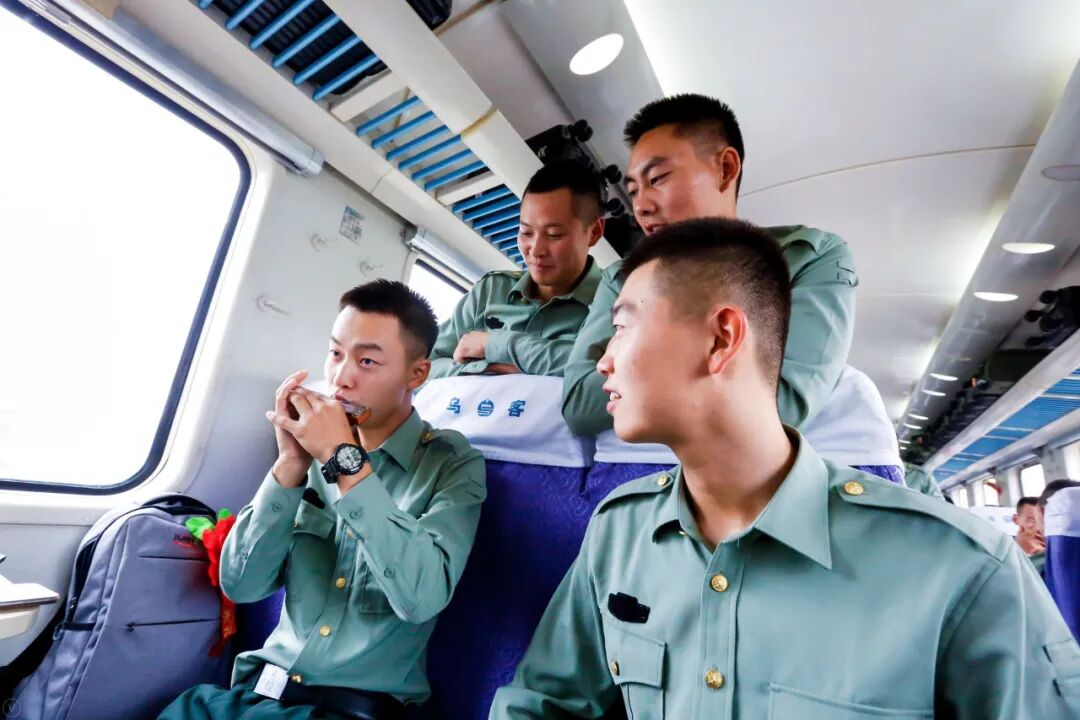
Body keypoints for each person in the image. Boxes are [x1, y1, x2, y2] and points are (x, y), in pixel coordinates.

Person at [490, 218, 1079, 719]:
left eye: (621, 328)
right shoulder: (619, 533)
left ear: (721, 338)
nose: (603, 361)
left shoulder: (960, 568)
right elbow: (545, 703)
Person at [160, 280, 486, 720]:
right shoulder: (307, 453)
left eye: (367, 361)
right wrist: (290, 463)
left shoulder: (452, 464)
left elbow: (421, 599)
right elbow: (242, 585)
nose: (340, 378)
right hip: (256, 697)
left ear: (416, 375)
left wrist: (345, 462)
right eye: (335, 353)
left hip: (352, 710)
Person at [562, 94, 902, 490]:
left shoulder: (807, 257)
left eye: (658, 179)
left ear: (725, 168)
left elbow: (783, 404)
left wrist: (641, 375)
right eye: (634, 191)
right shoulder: (622, 278)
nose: (642, 206)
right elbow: (580, 404)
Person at [429, 160, 604, 379]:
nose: (536, 250)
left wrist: (497, 345)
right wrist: (489, 369)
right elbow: (425, 367)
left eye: (554, 235)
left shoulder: (613, 302)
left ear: (594, 232)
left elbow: (599, 367)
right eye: (526, 233)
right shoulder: (490, 292)